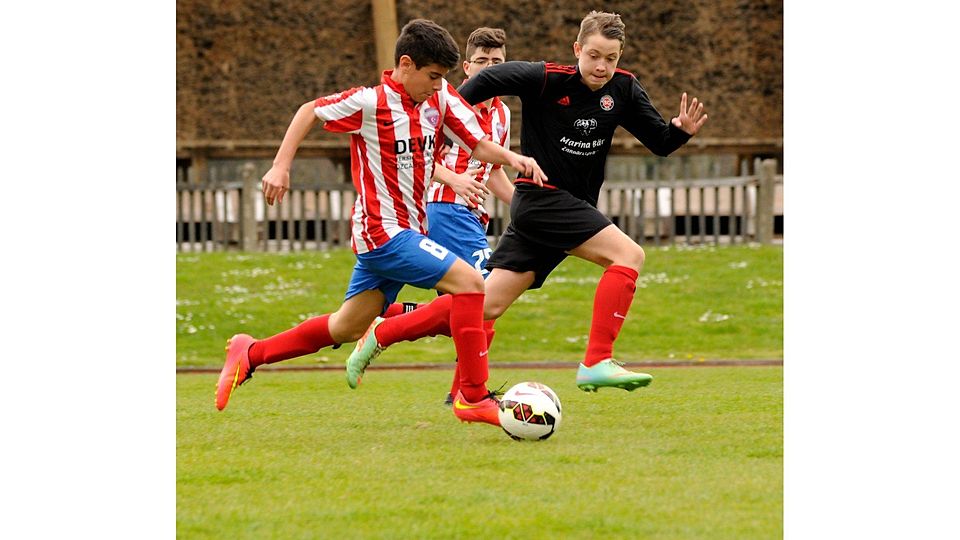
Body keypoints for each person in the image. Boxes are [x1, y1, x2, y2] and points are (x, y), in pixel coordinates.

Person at [346, 11, 708, 393]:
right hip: (543, 200)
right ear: (577, 49)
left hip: (555, 209)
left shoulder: (624, 90)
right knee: (629, 256)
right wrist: (443, 116)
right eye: (594, 55)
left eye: (611, 58)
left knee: (485, 304)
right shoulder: (547, 79)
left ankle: (385, 331)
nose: (601, 66)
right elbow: (487, 78)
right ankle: (597, 360)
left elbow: (660, 142)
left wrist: (680, 131)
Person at [215, 19, 546, 428]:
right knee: (473, 283)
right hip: (382, 232)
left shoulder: (438, 101)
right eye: (433, 77)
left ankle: (250, 353)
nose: (439, 86)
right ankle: (472, 398)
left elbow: (475, 143)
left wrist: (512, 159)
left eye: (443, 78)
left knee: (345, 326)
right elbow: (309, 111)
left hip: (406, 232)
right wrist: (281, 166)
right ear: (405, 65)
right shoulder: (369, 102)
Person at [396, 27, 514, 406]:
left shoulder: (503, 114)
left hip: (471, 216)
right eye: (482, 61)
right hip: (444, 207)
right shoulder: (445, 102)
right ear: (466, 66)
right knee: (485, 297)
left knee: (466, 308)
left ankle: (391, 318)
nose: (489, 68)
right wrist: (455, 180)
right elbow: (419, 157)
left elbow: (494, 172)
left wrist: (526, 208)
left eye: (497, 62)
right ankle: (467, 393)